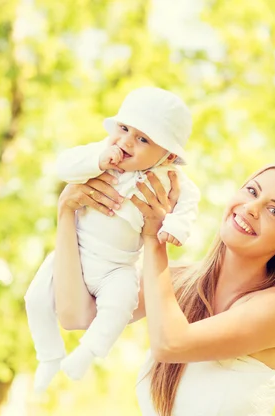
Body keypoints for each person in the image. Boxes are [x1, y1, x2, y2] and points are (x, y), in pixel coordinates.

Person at [54, 160, 275, 415]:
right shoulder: (175, 283)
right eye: (252, 191)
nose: (251, 208)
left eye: (274, 211)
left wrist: (154, 238)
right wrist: (67, 213)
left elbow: (171, 344)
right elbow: (75, 315)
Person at [24, 87, 200, 394]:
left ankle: (88, 352)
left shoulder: (172, 181)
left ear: (168, 154)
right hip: (75, 250)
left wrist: (176, 227)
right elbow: (64, 165)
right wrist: (97, 161)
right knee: (35, 299)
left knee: (119, 305)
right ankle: (49, 355)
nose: (126, 142)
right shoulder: (102, 154)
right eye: (124, 129)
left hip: (117, 265)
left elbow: (188, 207)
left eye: (143, 139)